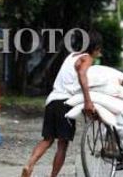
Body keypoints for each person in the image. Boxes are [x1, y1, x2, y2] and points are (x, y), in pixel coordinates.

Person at [21, 30, 102, 177]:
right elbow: (82, 76)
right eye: (99, 48)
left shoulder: (71, 56)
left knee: (47, 139)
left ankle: (29, 164)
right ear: (95, 47)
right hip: (65, 104)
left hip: (52, 101)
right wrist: (88, 101)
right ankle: (53, 176)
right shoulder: (86, 58)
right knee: (62, 144)